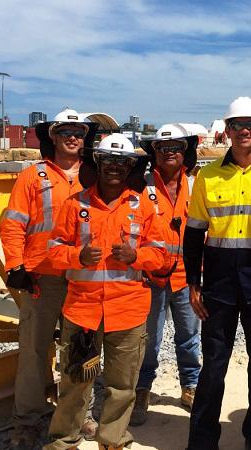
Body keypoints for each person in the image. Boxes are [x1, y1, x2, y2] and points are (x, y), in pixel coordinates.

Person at [44, 133, 169, 450]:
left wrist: (135, 257)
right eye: (108, 160)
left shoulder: (143, 208)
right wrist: (77, 257)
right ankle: (63, 442)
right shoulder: (76, 205)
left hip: (127, 313)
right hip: (82, 313)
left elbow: (161, 254)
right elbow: (53, 251)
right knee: (75, 384)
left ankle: (112, 441)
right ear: (97, 162)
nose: (114, 167)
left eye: (121, 162)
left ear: (130, 167)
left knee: (122, 386)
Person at [184, 96, 251, 450]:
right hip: (219, 281)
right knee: (214, 364)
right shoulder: (207, 175)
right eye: (236, 125)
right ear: (226, 131)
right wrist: (192, 283)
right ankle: (201, 439)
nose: (244, 131)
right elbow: (195, 231)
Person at [0, 108, 97, 449]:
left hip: (82, 279)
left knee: (82, 353)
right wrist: (16, 266)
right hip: (43, 279)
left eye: (79, 131)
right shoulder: (32, 176)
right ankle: (27, 420)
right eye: (66, 130)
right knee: (33, 350)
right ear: (52, 136)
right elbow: (12, 223)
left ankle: (77, 414)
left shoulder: (95, 176)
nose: (73, 136)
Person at [130, 124, 202, 425]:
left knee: (189, 336)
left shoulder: (196, 184)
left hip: (187, 277)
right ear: (154, 153)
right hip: (152, 276)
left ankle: (190, 386)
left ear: (185, 151)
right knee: (148, 339)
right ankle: (142, 389)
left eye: (175, 148)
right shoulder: (141, 185)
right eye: (162, 148)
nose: (169, 153)